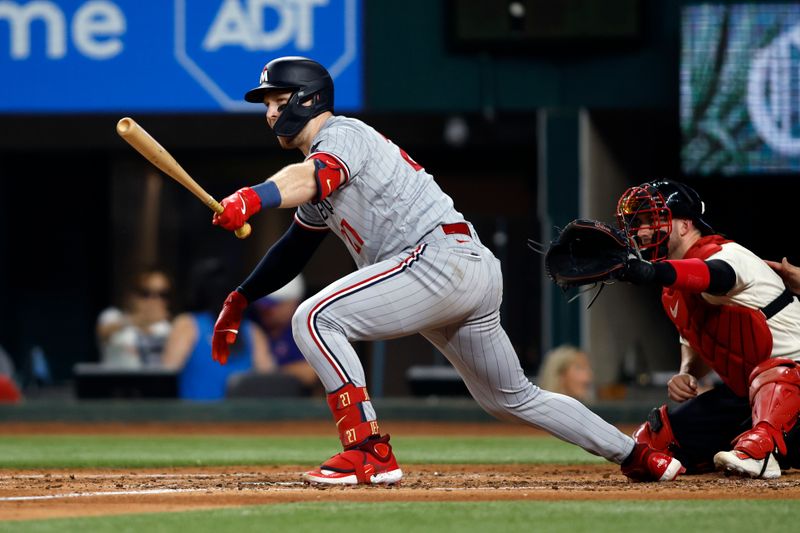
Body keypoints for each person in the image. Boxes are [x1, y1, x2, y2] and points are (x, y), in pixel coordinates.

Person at [207, 56, 680, 485]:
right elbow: (296, 245)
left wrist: (253, 196)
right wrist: (242, 297)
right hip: (460, 270)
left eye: (279, 100)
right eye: (266, 103)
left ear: (309, 99)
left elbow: (312, 178)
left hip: (435, 260)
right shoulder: (320, 163)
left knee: (314, 318)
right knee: (512, 397)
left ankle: (368, 451)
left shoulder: (342, 135)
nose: (271, 112)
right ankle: (637, 455)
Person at [615, 179, 800, 479]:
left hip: (791, 386)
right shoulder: (672, 290)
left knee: (777, 374)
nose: (643, 231)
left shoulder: (724, 252)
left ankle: (762, 453)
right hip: (748, 399)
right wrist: (687, 371)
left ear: (686, 224)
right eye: (638, 223)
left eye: (653, 219)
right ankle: (749, 447)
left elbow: (714, 276)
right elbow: (699, 339)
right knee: (653, 444)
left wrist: (650, 271)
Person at [161, 259, 274, 400]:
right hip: (234, 419)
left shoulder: (187, 325)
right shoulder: (252, 331)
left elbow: (166, 375)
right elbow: (271, 382)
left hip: (199, 418)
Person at [250, 275, 319, 392]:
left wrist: (272, 373)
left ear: (292, 303)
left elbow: (311, 373)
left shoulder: (307, 329)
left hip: (296, 401)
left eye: (273, 305)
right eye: (263, 305)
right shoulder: (253, 324)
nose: (265, 310)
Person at [96, 268, 173, 368]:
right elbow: (102, 332)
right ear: (131, 295)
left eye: (162, 294)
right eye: (146, 293)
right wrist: (137, 320)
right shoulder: (112, 316)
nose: (154, 300)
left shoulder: (167, 327)